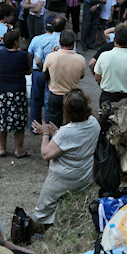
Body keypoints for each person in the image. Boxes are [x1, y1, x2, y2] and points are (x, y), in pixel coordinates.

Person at [30, 89, 100, 231]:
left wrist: (45, 134)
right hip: (85, 175)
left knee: (42, 209)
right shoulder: (94, 123)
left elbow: (46, 154)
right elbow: (75, 141)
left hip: (66, 177)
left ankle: (37, 230)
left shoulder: (67, 132)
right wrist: (55, 133)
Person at [0, 30, 32, 158]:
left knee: (1, 119)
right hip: (17, 91)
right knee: (19, 122)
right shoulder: (22, 55)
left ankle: (1, 148)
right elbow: (28, 70)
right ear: (16, 42)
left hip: (0, 90)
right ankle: (19, 150)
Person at [42, 30, 86, 127]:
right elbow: (81, 76)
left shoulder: (51, 57)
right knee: (72, 124)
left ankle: (53, 141)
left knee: (53, 124)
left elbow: (45, 75)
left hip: (55, 94)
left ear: (59, 42)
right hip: (72, 96)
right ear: (74, 43)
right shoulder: (81, 59)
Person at [93, 25, 127, 106]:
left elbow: (97, 77)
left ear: (114, 39)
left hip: (107, 96)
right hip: (126, 98)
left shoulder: (104, 55)